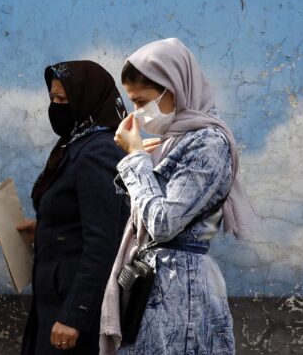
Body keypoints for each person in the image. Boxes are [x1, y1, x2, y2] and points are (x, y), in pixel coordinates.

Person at [99, 38, 259, 355]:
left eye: (142, 102)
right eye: (132, 103)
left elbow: (163, 222)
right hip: (156, 284)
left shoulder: (208, 144)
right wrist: (142, 164)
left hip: (182, 291)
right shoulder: (172, 142)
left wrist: (135, 161)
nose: (137, 114)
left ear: (173, 89)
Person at [18, 61, 130, 354]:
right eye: (52, 98)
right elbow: (81, 215)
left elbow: (104, 241)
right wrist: (47, 228)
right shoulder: (75, 143)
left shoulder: (98, 151)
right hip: (54, 299)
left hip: (73, 309)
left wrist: (74, 315)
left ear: (86, 98)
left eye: (62, 100)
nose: (55, 107)